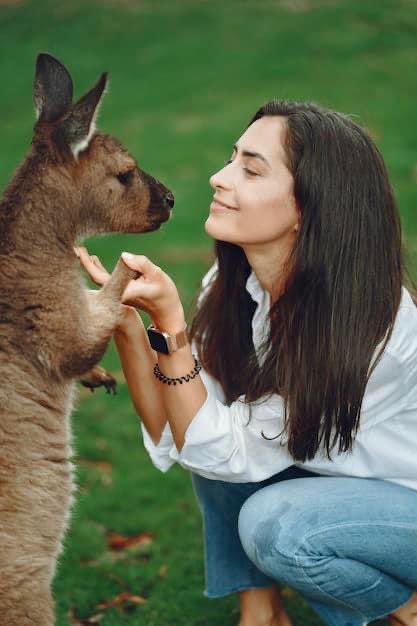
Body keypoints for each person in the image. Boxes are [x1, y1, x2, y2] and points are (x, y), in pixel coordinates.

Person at [76, 100, 417, 626]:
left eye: (251, 169)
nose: (218, 177)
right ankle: (260, 611)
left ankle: (404, 608)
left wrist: (171, 328)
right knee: (217, 423)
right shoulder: (233, 286)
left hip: (400, 504)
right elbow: (185, 433)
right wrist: (127, 325)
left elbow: (220, 451)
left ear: (309, 207)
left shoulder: (373, 327)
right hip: (330, 480)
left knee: (278, 528)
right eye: (232, 158)